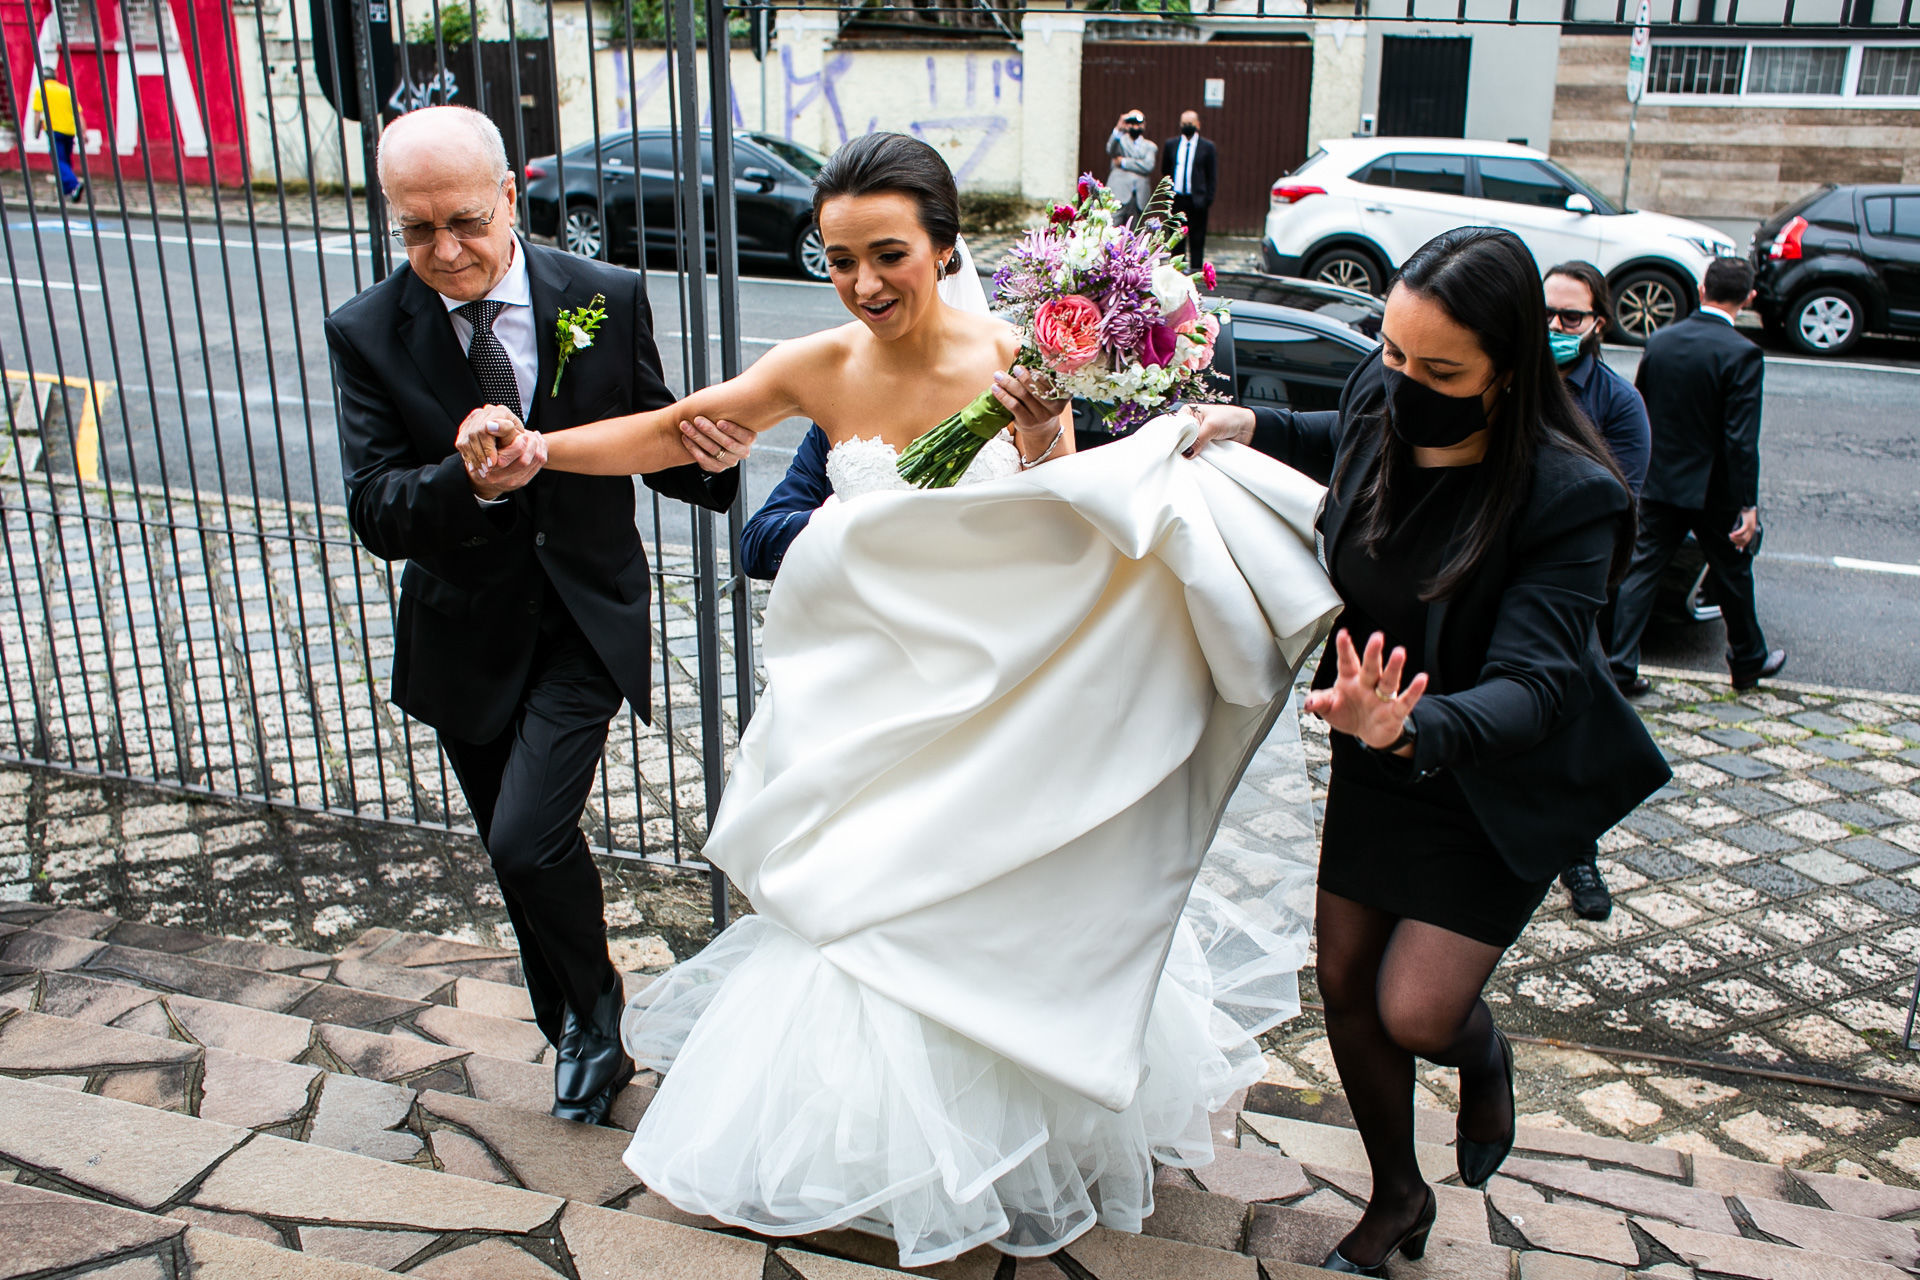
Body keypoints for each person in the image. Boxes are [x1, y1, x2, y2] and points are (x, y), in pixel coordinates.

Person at [458, 131, 1338, 1267]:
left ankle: (1001, 1148)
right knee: (857, 906)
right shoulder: (823, 365)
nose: (864, 284)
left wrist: (1042, 432)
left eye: (887, 254)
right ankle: (851, 1153)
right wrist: (537, 451)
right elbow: (681, 429)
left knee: (976, 906)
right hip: (870, 694)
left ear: (944, 245)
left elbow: (1083, 516)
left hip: (1001, 697)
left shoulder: (1034, 354)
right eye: (837, 259)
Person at [1189, 226, 1671, 1278]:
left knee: (1417, 1007)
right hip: (1382, 747)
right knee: (1347, 985)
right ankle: (1396, 1189)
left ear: (1510, 368)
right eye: (1396, 355)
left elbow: (1541, 683)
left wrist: (1413, 724)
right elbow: (1344, 429)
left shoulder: (1569, 494)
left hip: (1497, 773)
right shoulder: (1385, 390)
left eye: (1439, 370)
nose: (1404, 384)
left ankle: (1480, 1045)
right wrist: (1250, 418)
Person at [323, 106, 748, 1129]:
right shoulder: (367, 330)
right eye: (416, 230)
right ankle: (577, 1025)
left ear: (512, 193)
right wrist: (462, 481)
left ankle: (596, 1009)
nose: (446, 250)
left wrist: (712, 462)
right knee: (524, 858)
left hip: (582, 623)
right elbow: (378, 509)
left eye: (465, 221)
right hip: (463, 636)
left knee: (523, 837)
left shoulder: (600, 294)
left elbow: (647, 432)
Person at [1609, 257, 1786, 697]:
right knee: (1732, 575)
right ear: (1749, 299)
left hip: (1660, 480)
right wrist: (1748, 505)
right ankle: (1747, 662)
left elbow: (1640, 410)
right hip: (1713, 490)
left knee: (1640, 572)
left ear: (1702, 288)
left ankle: (1619, 667)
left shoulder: (1663, 340)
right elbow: (1740, 440)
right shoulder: (1743, 353)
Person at [1544, 260, 1651, 923]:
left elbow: (1621, 508)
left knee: (1569, 726)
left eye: (1570, 318)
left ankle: (1577, 857)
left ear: (1598, 324)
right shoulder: (1502, 378)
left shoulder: (1617, 402)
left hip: (1575, 592)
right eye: (1545, 314)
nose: (1554, 327)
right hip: (1494, 575)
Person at [1161, 110, 1217, 271]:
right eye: (1184, 124)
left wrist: (1207, 200)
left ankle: (1196, 275)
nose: (1187, 127)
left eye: (1190, 124)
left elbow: (1211, 175)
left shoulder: (1207, 147)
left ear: (1198, 125)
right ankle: (1176, 274)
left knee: (1197, 242)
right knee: (1176, 241)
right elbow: (1165, 169)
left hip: (1197, 201)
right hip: (1177, 199)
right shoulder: (1171, 145)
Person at [31, 64, 84, 202]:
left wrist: (35, 132)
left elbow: (38, 114)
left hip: (54, 130)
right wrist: (83, 132)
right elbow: (78, 113)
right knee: (66, 160)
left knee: (58, 161)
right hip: (69, 131)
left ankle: (74, 184)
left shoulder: (41, 90)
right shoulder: (66, 90)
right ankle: (69, 191)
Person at [1105, 109, 1157, 222]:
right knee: (1112, 227)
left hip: (1138, 198)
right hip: (1119, 193)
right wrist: (1119, 128)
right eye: (1131, 122)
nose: (1135, 126)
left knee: (1134, 234)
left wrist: (1124, 162)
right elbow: (1110, 149)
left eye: (1138, 122)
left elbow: (1148, 166)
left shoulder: (1150, 146)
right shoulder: (1120, 141)